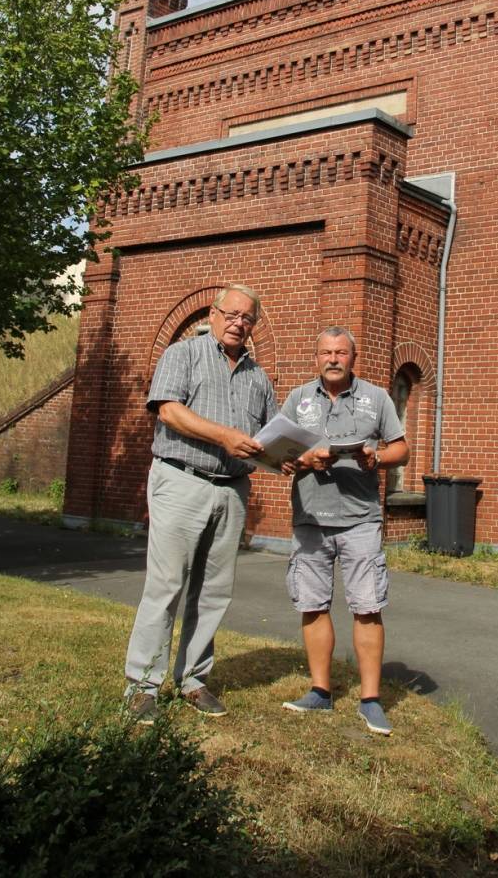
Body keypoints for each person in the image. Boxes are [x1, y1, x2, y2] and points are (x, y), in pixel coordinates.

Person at [124, 284, 277, 724]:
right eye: (231, 314)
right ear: (213, 314)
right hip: (181, 480)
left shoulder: (258, 378)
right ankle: (142, 685)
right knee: (167, 584)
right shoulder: (184, 355)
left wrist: (288, 457)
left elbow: (267, 435)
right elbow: (169, 411)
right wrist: (224, 435)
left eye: (248, 318)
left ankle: (192, 679)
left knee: (213, 591)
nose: (239, 323)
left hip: (232, 489)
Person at [280, 326, 409, 735]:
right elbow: (278, 452)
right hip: (310, 520)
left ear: (353, 358)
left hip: (361, 520)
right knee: (312, 604)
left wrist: (377, 458)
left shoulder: (377, 398)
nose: (333, 359)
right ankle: (320, 691)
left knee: (367, 607)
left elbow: (401, 448)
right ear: (315, 358)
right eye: (325, 352)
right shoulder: (298, 399)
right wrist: (305, 459)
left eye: (341, 352)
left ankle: (370, 700)